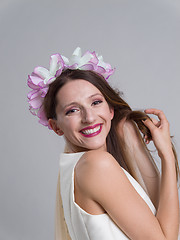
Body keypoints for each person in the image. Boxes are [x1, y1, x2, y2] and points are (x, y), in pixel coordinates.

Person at [27, 47, 180, 240]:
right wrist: (166, 153)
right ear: (56, 126)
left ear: (111, 110)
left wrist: (129, 133)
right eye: (72, 110)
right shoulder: (97, 165)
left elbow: (161, 218)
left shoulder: (80, 167)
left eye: (96, 102)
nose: (89, 118)